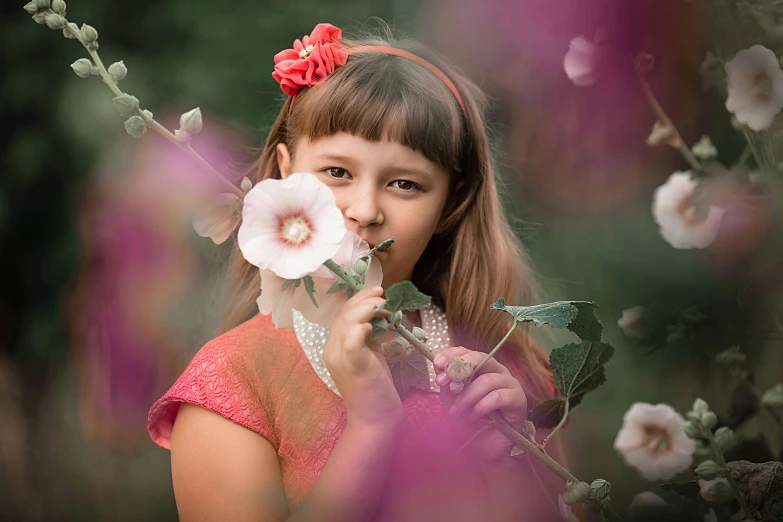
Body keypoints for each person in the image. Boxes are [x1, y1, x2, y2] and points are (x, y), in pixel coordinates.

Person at [147, 22, 566, 522]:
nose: (365, 210)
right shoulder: (234, 382)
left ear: (449, 203)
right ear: (285, 170)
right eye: (337, 172)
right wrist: (370, 425)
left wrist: (517, 456)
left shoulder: (508, 366)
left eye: (405, 184)